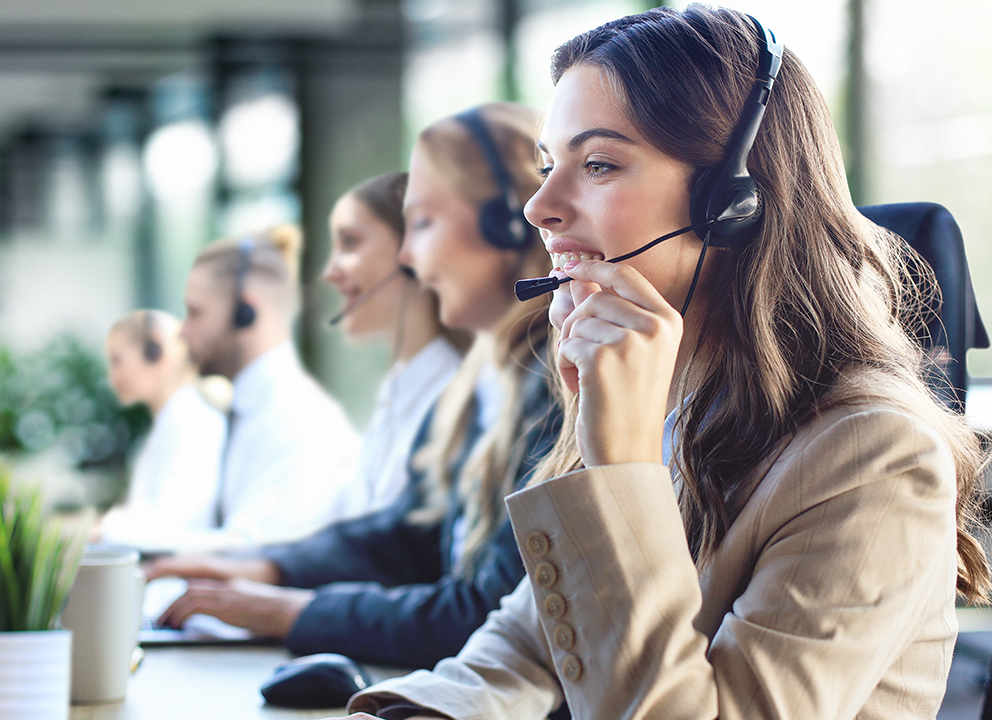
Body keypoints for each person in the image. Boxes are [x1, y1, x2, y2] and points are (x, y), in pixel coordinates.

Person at [341, 6, 991, 720]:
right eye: (547, 167)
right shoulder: (677, 404)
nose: (539, 208)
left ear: (732, 202)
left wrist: (619, 469)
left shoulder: (875, 457)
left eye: (597, 164)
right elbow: (526, 646)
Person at [146, 102, 564, 670]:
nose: (409, 256)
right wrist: (271, 570)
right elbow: (416, 533)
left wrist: (292, 612)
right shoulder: (492, 382)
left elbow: (487, 612)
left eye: (423, 223)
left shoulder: (559, 385)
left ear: (508, 225)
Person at [178, 224, 361, 549]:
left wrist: (113, 539)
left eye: (195, 312)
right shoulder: (248, 411)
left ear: (244, 313)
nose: (182, 332)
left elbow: (248, 555)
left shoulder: (300, 423)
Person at [324, 172, 466, 512]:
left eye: (350, 242)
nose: (330, 272)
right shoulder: (396, 389)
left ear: (412, 254)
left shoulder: (455, 398)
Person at [93, 310, 226, 550]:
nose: (112, 377)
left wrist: (103, 532)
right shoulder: (167, 425)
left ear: (156, 352)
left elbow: (170, 526)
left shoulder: (195, 423)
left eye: (117, 361)